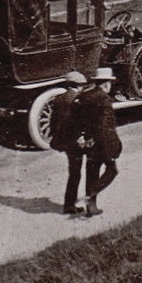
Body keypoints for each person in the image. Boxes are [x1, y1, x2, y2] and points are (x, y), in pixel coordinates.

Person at [73, 67, 123, 217]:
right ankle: (92, 194)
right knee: (112, 170)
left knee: (91, 173)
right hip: (103, 143)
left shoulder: (84, 96)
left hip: (89, 142)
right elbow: (106, 127)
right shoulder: (105, 100)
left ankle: (91, 208)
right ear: (107, 84)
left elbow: (76, 121)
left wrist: (83, 138)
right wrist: (113, 146)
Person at [54, 71, 87, 215]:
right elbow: (79, 123)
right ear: (78, 85)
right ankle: (69, 205)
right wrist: (81, 137)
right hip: (76, 142)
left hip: (65, 141)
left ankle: (70, 204)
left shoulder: (59, 99)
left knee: (73, 172)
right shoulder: (78, 99)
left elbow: (53, 122)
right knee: (75, 174)